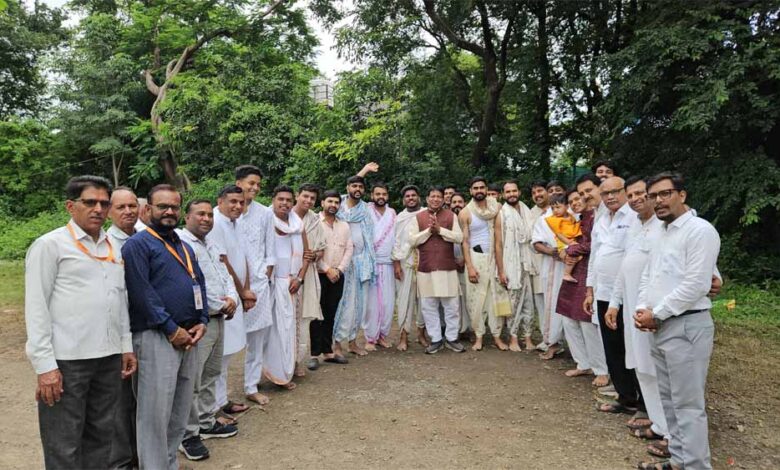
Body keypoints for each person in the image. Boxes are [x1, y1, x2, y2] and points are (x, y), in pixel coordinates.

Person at [26, 175, 136, 470]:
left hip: (108, 358)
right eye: (90, 202)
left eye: (104, 203)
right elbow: (36, 309)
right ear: (70, 206)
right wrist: (45, 366)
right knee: (64, 443)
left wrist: (125, 346)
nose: (98, 209)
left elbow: (119, 299)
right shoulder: (50, 245)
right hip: (67, 361)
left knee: (101, 437)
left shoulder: (113, 245)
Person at [634, 172, 720, 470]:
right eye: (653, 195)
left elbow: (697, 284)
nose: (658, 200)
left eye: (665, 193)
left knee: (688, 406)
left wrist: (657, 312)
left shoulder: (700, 230)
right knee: (670, 401)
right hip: (660, 325)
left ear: (682, 195)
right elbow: (650, 274)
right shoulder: (660, 231)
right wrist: (643, 307)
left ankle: (696, 465)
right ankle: (680, 460)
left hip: (686, 325)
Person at [123, 184, 208, 470]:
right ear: (148, 210)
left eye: (174, 206)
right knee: (154, 414)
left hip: (189, 336)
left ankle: (169, 463)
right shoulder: (138, 244)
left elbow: (200, 283)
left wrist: (203, 320)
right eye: (162, 206)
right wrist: (171, 328)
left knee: (179, 410)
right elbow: (141, 293)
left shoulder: (181, 244)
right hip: (157, 337)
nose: (169, 211)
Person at [177, 200, 239, 461]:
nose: (205, 219)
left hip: (218, 318)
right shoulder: (181, 243)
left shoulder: (210, 244)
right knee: (192, 379)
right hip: (199, 321)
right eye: (199, 214)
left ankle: (205, 421)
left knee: (211, 373)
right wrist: (219, 304)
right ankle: (187, 435)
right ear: (187, 216)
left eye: (208, 215)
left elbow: (224, 276)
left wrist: (232, 299)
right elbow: (190, 285)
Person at [585, 176, 645, 415]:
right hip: (603, 292)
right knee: (612, 347)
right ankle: (626, 397)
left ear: (625, 192)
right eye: (605, 193)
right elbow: (595, 256)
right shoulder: (601, 220)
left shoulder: (634, 218)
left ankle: (643, 403)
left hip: (627, 295)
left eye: (616, 192)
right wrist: (590, 288)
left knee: (631, 347)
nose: (610, 197)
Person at [208, 185, 255, 416]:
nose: (238, 206)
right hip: (224, 296)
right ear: (220, 201)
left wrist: (246, 289)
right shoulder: (215, 223)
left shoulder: (238, 223)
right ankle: (213, 408)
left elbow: (243, 257)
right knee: (219, 356)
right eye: (233, 202)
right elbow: (223, 261)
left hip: (236, 295)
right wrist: (240, 291)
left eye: (241, 202)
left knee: (227, 355)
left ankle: (221, 399)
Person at [556, 188, 609, 386]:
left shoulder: (596, 218)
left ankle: (601, 369)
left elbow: (591, 244)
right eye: (571, 201)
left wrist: (571, 248)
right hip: (575, 271)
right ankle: (582, 362)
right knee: (568, 318)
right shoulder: (578, 219)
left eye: (577, 198)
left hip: (589, 271)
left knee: (586, 321)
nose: (575, 202)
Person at [235, 165, 276, 407]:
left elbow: (270, 249)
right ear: (239, 183)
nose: (255, 188)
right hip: (231, 288)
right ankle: (218, 398)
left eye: (258, 184)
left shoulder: (264, 213)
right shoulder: (223, 212)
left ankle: (251, 386)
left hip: (259, 285)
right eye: (251, 183)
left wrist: (264, 274)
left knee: (257, 339)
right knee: (227, 343)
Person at [106, 186, 140, 470]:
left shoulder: (142, 238)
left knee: (141, 400)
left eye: (132, 206)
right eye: (121, 207)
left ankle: (141, 456)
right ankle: (121, 462)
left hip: (144, 330)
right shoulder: (107, 245)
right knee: (120, 402)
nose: (128, 212)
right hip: (117, 334)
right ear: (109, 211)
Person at [408, 187, 465, 354]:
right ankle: (436, 339)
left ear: (442, 199)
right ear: (427, 198)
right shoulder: (418, 217)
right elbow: (412, 241)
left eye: (439, 197)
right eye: (432, 196)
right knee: (428, 305)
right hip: (426, 268)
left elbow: (459, 237)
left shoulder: (451, 216)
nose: (435, 199)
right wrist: (429, 231)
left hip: (447, 267)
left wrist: (440, 230)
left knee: (451, 305)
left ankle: (452, 338)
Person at [264, 185, 309, 389]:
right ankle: (275, 373)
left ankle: (287, 370)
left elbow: (307, 255)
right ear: (273, 200)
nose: (285, 203)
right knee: (272, 330)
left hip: (293, 284)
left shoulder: (298, 224)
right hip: (272, 283)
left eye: (288, 200)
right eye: (280, 199)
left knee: (291, 328)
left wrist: (299, 278)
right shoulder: (265, 221)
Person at [333, 164, 377, 356]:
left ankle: (352, 342)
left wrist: (368, 261)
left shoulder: (366, 210)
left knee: (359, 304)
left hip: (361, 261)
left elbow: (368, 238)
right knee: (341, 303)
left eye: (360, 187)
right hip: (341, 263)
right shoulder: (338, 206)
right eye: (353, 187)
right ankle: (336, 343)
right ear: (347, 189)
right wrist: (364, 170)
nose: (357, 189)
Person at [460, 177, 508, 351]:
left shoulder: (496, 208)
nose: (479, 190)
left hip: (494, 258)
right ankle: (479, 336)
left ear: (486, 189)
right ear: (470, 191)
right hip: (476, 258)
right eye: (475, 188)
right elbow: (464, 242)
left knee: (495, 297)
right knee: (476, 299)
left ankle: (497, 336)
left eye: (482, 187)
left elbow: (499, 240)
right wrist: (470, 267)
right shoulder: (465, 212)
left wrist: (501, 268)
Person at [496, 180, 537, 352]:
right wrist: (501, 270)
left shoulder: (527, 210)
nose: (511, 194)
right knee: (513, 303)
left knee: (528, 301)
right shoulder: (502, 213)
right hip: (510, 262)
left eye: (514, 191)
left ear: (519, 192)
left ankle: (527, 337)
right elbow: (498, 244)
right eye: (508, 192)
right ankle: (513, 337)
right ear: (503, 194)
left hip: (527, 262)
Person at [292, 183, 327, 371]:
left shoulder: (315, 220)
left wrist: (314, 256)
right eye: (305, 196)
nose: (308, 200)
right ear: (297, 195)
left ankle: (299, 362)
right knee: (287, 318)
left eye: (312, 198)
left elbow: (321, 249)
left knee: (305, 319)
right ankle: (283, 365)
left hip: (308, 274)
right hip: (287, 274)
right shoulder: (283, 215)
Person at [315, 191, 353, 364]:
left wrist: (339, 269)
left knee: (331, 313)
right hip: (318, 275)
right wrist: (327, 269)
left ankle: (327, 352)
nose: (333, 205)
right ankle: (314, 354)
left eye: (337, 202)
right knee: (317, 314)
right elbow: (313, 251)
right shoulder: (314, 222)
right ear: (322, 202)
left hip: (338, 275)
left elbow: (349, 249)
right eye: (330, 201)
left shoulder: (344, 225)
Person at [531, 183, 568, 359]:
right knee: (552, 304)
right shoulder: (543, 219)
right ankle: (552, 343)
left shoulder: (573, 215)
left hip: (574, 264)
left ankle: (576, 348)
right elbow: (536, 243)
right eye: (551, 191)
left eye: (557, 191)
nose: (554, 194)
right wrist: (552, 252)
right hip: (553, 264)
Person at [392, 184, 428, 351]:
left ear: (419, 197)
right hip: (406, 263)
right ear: (403, 200)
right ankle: (403, 336)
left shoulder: (427, 213)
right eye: (407, 196)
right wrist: (396, 264)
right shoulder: (400, 218)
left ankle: (421, 334)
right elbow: (396, 242)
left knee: (424, 300)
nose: (411, 198)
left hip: (426, 262)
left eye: (414, 195)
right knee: (404, 300)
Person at [364, 182, 396, 350]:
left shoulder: (392, 213)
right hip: (370, 263)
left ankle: (382, 335)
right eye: (378, 194)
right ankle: (370, 338)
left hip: (388, 263)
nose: (381, 197)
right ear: (372, 196)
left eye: (384, 194)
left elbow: (395, 239)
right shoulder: (366, 211)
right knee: (371, 303)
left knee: (388, 302)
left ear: (387, 196)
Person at [527, 180, 549, 349]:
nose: (537, 195)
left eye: (540, 191)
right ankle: (546, 339)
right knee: (540, 303)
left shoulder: (559, 209)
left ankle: (558, 339)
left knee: (555, 302)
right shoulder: (531, 213)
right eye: (534, 193)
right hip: (536, 264)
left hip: (556, 261)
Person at [545, 194, 583, 283]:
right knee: (571, 255)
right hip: (563, 241)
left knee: (576, 256)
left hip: (570, 239)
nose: (555, 210)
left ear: (566, 206)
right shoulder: (554, 220)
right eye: (553, 208)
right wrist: (569, 242)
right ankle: (566, 274)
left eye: (558, 207)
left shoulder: (570, 216)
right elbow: (559, 234)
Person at [449, 193, 471, 339]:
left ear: (465, 203)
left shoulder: (469, 218)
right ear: (450, 204)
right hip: (450, 265)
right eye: (454, 202)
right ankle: (454, 330)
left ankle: (468, 329)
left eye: (460, 202)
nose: (457, 204)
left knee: (468, 298)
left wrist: (465, 259)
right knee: (453, 300)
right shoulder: (447, 219)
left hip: (468, 263)